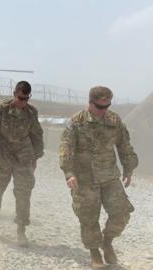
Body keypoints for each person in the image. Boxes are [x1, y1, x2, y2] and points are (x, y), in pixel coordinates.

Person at [59, 86, 138, 268]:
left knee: (122, 212)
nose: (104, 110)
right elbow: (66, 148)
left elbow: (125, 146)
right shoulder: (77, 122)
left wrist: (128, 168)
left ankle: (107, 241)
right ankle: (94, 251)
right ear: (90, 103)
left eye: (107, 106)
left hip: (109, 176)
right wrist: (69, 173)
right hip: (84, 179)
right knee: (88, 217)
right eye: (100, 106)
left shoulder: (114, 120)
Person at [0, 81, 43, 247]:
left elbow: (37, 134)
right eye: (20, 98)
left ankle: (21, 230)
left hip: (23, 158)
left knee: (23, 194)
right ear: (14, 94)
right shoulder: (1, 109)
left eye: (26, 98)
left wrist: (35, 156)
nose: (23, 102)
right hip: (2, 156)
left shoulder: (31, 112)